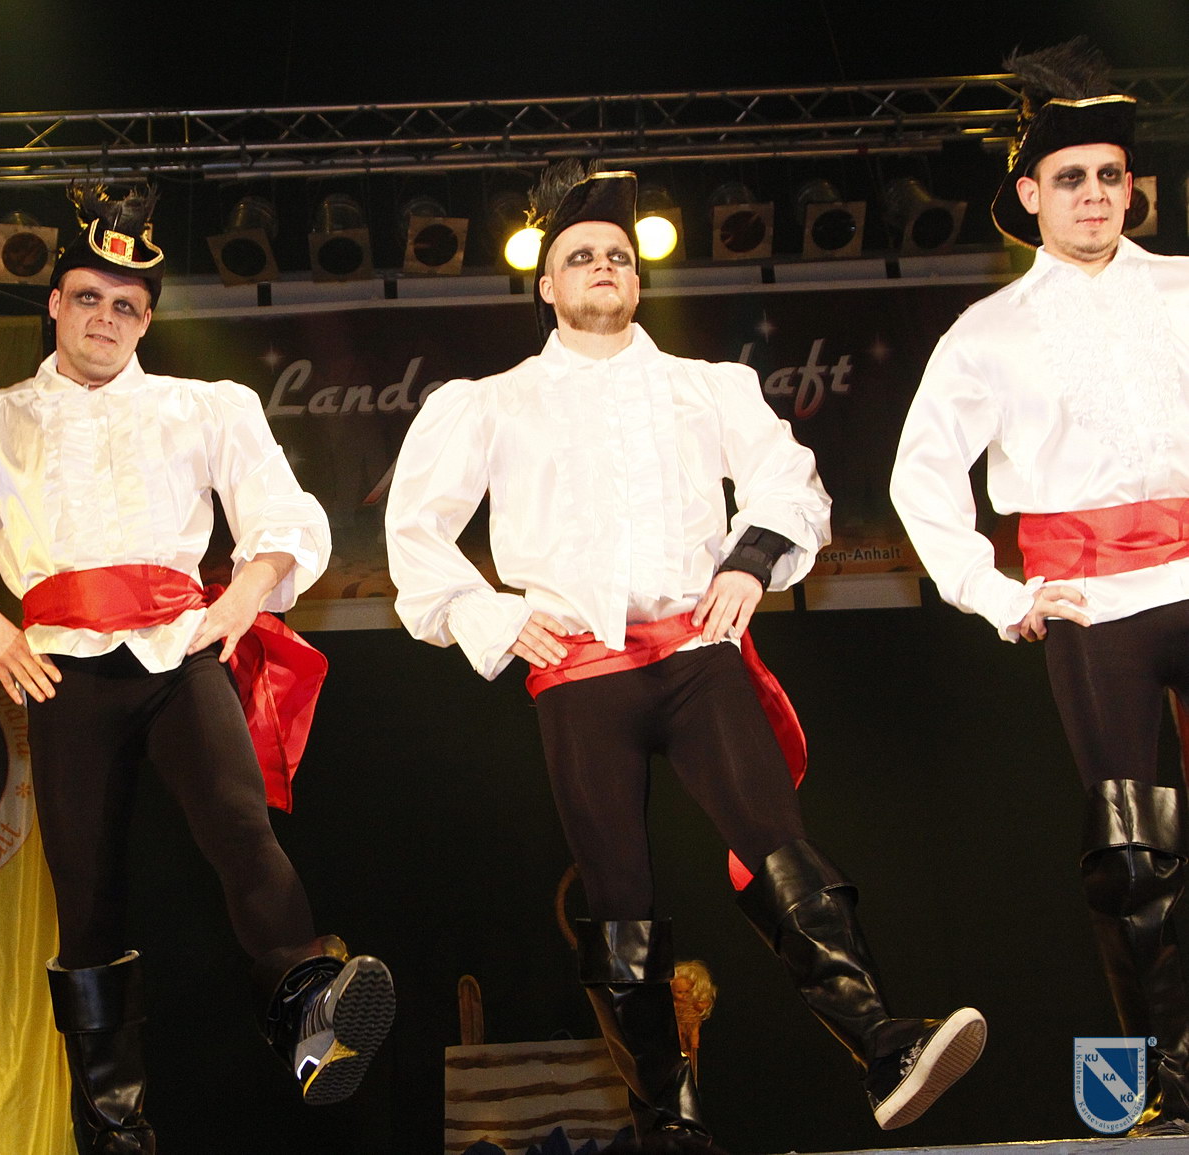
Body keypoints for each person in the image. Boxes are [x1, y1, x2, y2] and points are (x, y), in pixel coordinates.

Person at [385, 163, 985, 1145]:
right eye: (582, 255)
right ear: (547, 284)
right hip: (580, 669)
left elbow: (789, 480)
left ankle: (882, 1042)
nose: (604, 267)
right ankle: (669, 1119)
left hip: (696, 650)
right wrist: (485, 615)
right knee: (618, 901)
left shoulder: (706, 388)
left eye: (619, 256)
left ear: (638, 278)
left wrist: (750, 562)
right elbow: (414, 530)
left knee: (777, 840)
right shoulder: (490, 403)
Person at [0, 185, 394, 1154]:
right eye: (88, 298)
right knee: (87, 895)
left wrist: (242, 597)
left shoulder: (204, 407)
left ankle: (310, 1013)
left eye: (126, 305)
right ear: (54, 304)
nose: (105, 318)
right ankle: (114, 1125)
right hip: (61, 670)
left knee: (241, 826)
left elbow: (284, 514)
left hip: (177, 650)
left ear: (146, 320)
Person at [891, 39, 1189, 1136]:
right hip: (1092, 602)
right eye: (1071, 178)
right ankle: (1171, 1076)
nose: (1094, 194)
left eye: (1110, 175)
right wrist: (996, 591)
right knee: (1130, 852)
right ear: (1029, 195)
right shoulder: (989, 333)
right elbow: (921, 473)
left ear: (1131, 186)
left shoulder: (1184, 290)